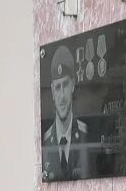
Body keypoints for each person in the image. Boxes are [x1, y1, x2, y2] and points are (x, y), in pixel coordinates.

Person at [41, 44, 97, 180]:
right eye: (57, 87)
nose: (61, 96)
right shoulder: (47, 141)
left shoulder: (86, 134)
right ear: (52, 91)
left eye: (65, 85)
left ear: (72, 85)